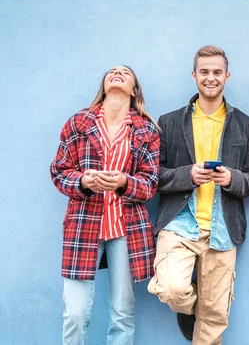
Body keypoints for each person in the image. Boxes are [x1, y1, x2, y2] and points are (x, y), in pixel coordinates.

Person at [147, 45, 249, 345]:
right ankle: (189, 310)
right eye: (205, 72)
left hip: (223, 228)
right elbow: (153, 176)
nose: (211, 78)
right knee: (172, 289)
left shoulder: (245, 124)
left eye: (217, 72)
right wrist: (188, 175)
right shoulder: (169, 122)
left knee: (213, 320)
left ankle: (204, 312)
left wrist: (231, 178)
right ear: (194, 75)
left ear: (227, 76)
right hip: (179, 224)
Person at [50, 65, 160, 344]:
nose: (118, 72)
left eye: (126, 72)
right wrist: (84, 182)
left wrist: (124, 182)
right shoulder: (78, 123)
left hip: (127, 229)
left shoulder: (146, 129)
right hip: (83, 225)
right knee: (74, 313)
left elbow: (150, 183)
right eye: (112, 71)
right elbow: (59, 171)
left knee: (122, 313)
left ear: (134, 89)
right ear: (104, 85)